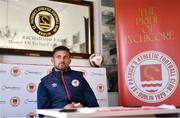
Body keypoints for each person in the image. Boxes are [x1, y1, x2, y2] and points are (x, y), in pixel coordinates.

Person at [37, 46, 99, 111]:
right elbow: (43, 112)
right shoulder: (45, 82)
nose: (62, 60)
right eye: (58, 57)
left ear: (69, 61)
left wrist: (83, 107)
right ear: (53, 61)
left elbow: (93, 104)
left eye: (65, 57)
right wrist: (63, 109)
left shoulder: (79, 77)